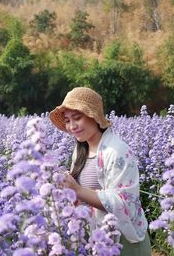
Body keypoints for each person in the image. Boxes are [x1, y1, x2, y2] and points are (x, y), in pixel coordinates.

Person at [49, 87, 151, 256]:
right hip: (98, 240)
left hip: (124, 243)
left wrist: (77, 190)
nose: (72, 126)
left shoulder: (117, 150)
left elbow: (124, 202)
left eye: (77, 118)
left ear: (94, 116)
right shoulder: (80, 150)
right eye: (67, 120)